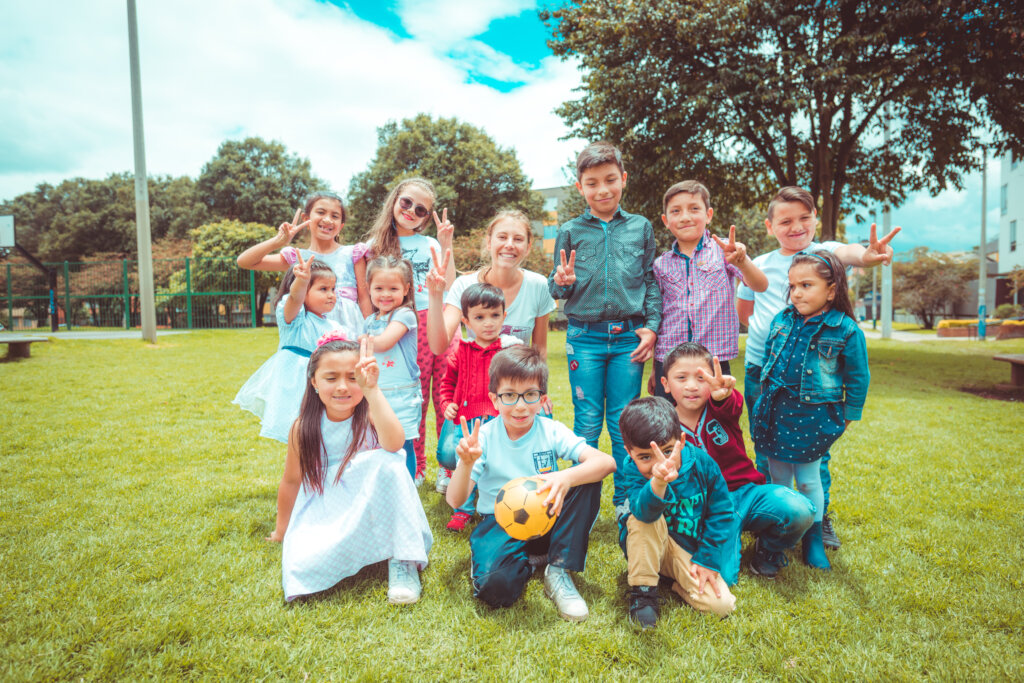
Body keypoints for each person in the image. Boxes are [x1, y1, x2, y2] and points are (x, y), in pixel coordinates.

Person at [737, 186, 898, 548]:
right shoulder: (758, 264)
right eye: (786, 221)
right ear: (769, 226)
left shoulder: (825, 253)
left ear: (815, 220)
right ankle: (775, 518)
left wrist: (869, 255)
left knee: (814, 453)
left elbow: (851, 252)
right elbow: (744, 313)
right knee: (766, 447)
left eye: (804, 218)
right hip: (762, 371)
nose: (796, 227)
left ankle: (817, 521)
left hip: (810, 378)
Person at [446, 346, 616, 622]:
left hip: (548, 515)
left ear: (542, 399)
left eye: (530, 395)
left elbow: (606, 462)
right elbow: (455, 500)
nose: (521, 405)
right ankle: (528, 560)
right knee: (496, 590)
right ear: (494, 399)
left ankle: (558, 569)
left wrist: (564, 477)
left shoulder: (551, 430)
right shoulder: (484, 438)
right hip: (500, 522)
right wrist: (465, 463)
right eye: (510, 396)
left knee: (587, 478)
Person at [267, 334, 432, 604]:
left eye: (353, 378)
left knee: (389, 460)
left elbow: (395, 443)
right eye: (331, 378)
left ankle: (403, 560)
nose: (343, 387)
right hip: (327, 509)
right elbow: (291, 481)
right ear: (313, 382)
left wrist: (372, 391)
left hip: (368, 504)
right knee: (304, 565)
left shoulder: (369, 413)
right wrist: (281, 530)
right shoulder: (303, 427)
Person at [547, 141, 662, 509]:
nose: (602, 189)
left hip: (629, 338)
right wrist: (561, 282)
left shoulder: (640, 228)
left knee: (622, 422)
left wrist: (653, 325)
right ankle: (581, 501)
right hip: (584, 338)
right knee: (587, 422)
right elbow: (555, 285)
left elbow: (650, 280)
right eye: (592, 182)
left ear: (623, 179)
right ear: (580, 187)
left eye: (610, 179)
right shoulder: (569, 230)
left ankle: (625, 499)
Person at [751, 251, 870, 570]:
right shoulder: (781, 320)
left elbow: (859, 377)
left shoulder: (845, 330)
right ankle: (775, 534)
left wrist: (849, 414)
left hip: (814, 418)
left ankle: (812, 537)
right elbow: (768, 360)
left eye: (806, 285)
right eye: (792, 286)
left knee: (808, 480)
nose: (797, 293)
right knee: (777, 478)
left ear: (831, 290)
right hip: (775, 413)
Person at [658, 342, 813, 581]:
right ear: (666, 384)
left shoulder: (721, 407)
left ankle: (768, 550)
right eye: (681, 378)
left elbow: (730, 404)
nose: (691, 386)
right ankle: (724, 540)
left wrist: (722, 396)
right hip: (706, 510)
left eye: (701, 378)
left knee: (800, 510)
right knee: (723, 579)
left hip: (745, 494)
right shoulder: (663, 426)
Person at [427, 209, 556, 492]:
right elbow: (438, 345)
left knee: (543, 435)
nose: (509, 244)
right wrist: (435, 298)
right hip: (473, 398)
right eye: (502, 237)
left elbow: (539, 349)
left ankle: (516, 479)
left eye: (518, 238)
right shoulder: (464, 285)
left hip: (515, 393)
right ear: (489, 242)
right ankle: (464, 474)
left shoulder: (537, 285)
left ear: (528, 246)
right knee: (449, 454)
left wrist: (541, 391)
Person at [363, 178, 456, 484]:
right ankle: (415, 467)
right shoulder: (374, 247)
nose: (411, 212)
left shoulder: (429, 244)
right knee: (413, 398)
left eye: (420, 210)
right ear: (395, 200)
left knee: (446, 395)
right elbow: (369, 294)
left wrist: (446, 246)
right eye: (406, 203)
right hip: (402, 327)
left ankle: (449, 465)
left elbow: (450, 285)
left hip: (438, 321)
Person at [618, 396, 736, 628]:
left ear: (681, 440)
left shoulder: (704, 464)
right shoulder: (632, 470)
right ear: (629, 452)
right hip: (647, 545)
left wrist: (707, 559)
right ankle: (643, 594)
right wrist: (658, 483)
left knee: (722, 606)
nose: (658, 464)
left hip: (687, 549)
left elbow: (722, 513)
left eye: (668, 451)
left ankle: (670, 580)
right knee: (642, 520)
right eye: (645, 457)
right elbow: (643, 512)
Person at [651, 180, 768, 398]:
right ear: (666, 221)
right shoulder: (660, 264)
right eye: (676, 211)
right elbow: (659, 315)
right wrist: (654, 369)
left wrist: (742, 262)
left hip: (714, 357)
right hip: (669, 360)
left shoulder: (726, 252)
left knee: (715, 421)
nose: (685, 216)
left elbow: (761, 285)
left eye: (694, 209)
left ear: (709, 214)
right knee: (667, 424)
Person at [434, 283, 522, 531]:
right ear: (466, 322)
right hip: (467, 421)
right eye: (480, 317)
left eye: (495, 315)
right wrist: (446, 403)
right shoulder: (461, 352)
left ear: (504, 316)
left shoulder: (508, 351)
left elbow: (522, 380)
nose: (488, 323)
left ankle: (493, 505)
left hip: (497, 421)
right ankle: (463, 508)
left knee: (495, 464)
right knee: (464, 463)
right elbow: (447, 383)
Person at [233, 254, 341, 443]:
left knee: (323, 435)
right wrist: (301, 281)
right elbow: (294, 298)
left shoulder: (334, 326)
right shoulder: (294, 319)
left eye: (333, 289)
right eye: (323, 289)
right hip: (296, 386)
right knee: (300, 434)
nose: (331, 294)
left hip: (324, 385)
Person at [236, 191, 368, 336]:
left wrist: (370, 333)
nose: (328, 220)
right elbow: (245, 261)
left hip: (350, 333)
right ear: (306, 219)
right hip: (311, 335)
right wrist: (277, 241)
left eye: (335, 216)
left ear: (341, 226)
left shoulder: (352, 254)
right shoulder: (297, 257)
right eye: (321, 212)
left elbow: (364, 298)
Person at [362, 255, 422, 479]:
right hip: (376, 393)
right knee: (377, 442)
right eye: (379, 288)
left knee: (402, 443)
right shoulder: (370, 321)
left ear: (406, 289)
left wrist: (356, 341)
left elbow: (385, 342)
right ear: (368, 288)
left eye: (393, 288)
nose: (385, 294)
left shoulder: (404, 315)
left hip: (401, 394)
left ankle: (407, 486)